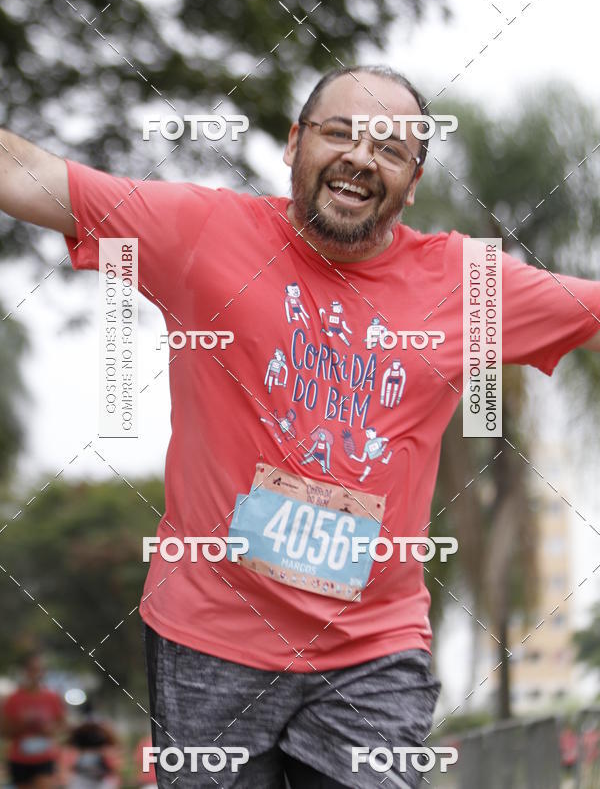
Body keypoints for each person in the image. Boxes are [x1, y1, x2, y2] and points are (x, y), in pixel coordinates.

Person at [1, 64, 599, 789]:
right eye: (340, 133)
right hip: (208, 638)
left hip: (371, 652)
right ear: (294, 144)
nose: (359, 157)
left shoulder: (466, 284)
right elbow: (31, 172)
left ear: (412, 184)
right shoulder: (201, 231)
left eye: (390, 149)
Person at [0, 652, 64, 789]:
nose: (35, 674)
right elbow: (4, 731)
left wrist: (49, 729)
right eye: (31, 670)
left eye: (38, 670)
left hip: (45, 757)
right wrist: (23, 725)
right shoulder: (14, 699)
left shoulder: (52, 697)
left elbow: (62, 725)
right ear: (24, 672)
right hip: (20, 757)